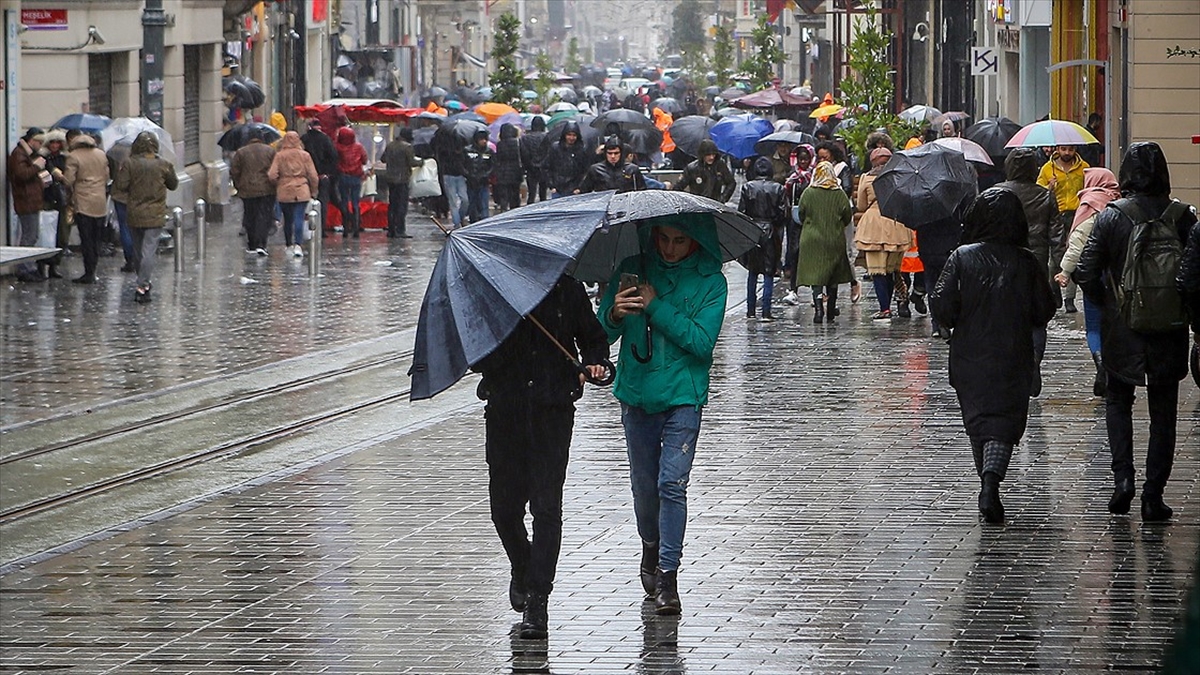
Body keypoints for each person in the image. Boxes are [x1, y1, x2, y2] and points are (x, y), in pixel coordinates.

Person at [596, 215, 728, 616]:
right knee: (644, 485)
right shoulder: (633, 269)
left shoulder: (711, 282)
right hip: (636, 392)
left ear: (695, 241)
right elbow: (601, 332)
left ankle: (668, 575)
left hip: (683, 394)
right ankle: (650, 545)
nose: (670, 248)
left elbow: (701, 342)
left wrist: (655, 306)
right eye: (664, 239)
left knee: (672, 484)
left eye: (680, 241)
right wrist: (615, 314)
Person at [472, 275, 610, 640]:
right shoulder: (496, 291)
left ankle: (538, 600)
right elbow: (476, 355)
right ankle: (523, 564)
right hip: (506, 411)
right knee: (504, 508)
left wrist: (593, 364)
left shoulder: (568, 289)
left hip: (552, 410)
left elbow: (593, 339)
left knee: (546, 508)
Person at [1073, 142, 1196, 521]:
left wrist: (1109, 303)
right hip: (1168, 327)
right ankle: (1153, 495)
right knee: (1164, 412)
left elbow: (1084, 270)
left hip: (1121, 326)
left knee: (1117, 401)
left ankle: (1122, 480)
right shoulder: (1183, 217)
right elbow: (1193, 276)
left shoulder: (1112, 217)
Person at [930, 187, 1057, 523]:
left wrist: (958, 316)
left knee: (978, 421)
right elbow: (1044, 309)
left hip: (970, 355)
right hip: (1013, 353)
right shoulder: (1026, 261)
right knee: (1003, 424)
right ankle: (991, 482)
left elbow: (942, 305)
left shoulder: (961, 256)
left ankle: (987, 483)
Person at [996, 147, 1062, 396]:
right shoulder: (1045, 196)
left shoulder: (997, 193)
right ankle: (1033, 359)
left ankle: (1012, 366)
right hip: (1036, 262)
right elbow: (1057, 237)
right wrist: (1058, 270)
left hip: (1003, 263)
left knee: (1006, 315)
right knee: (1036, 318)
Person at [1055, 168, 1120, 397]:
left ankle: (1100, 361)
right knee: (1113, 323)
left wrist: (1064, 271)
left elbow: (1077, 244)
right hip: (1116, 276)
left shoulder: (1089, 204)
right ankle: (1112, 366)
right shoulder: (1119, 204)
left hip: (1093, 274)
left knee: (1093, 326)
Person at [113, 131, 178, 304]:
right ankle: (143, 285)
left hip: (135, 211)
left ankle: (142, 281)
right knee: (149, 249)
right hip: (155, 213)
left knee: (137, 249)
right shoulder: (163, 164)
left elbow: (121, 185)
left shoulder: (129, 163)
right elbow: (173, 184)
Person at [854, 148, 913, 320]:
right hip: (895, 224)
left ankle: (885, 308)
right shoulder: (900, 177)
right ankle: (899, 300)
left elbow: (861, 205)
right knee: (891, 269)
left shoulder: (866, 178)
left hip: (873, 225)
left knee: (877, 270)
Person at [795, 161, 854, 323]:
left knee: (816, 276)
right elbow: (847, 216)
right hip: (834, 239)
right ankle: (830, 310)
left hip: (811, 240)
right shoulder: (839, 194)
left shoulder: (808, 193)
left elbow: (801, 214)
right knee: (833, 275)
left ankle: (818, 309)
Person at [1037, 144, 1089, 313]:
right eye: (1064, 149)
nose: (1067, 153)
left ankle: (1070, 298)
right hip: (1055, 216)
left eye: (1071, 149)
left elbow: (1089, 189)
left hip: (1077, 214)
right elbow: (1038, 192)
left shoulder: (1084, 168)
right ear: (1057, 149)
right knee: (1055, 259)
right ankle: (1055, 293)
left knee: (1074, 255)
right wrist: (1049, 187)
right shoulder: (1047, 169)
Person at [738, 156, 789, 320]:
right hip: (770, 231)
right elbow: (783, 213)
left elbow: (742, 211)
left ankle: (750, 310)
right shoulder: (778, 188)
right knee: (769, 271)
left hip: (753, 230)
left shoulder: (748, 187)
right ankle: (766, 310)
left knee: (752, 271)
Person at [62, 131, 110, 283]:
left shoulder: (73, 156)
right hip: (100, 201)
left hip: (83, 201)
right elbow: (107, 176)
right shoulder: (101, 154)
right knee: (96, 238)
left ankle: (88, 271)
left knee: (86, 237)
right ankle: (93, 268)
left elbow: (68, 180)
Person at [8, 128, 50, 282]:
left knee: (31, 236)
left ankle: (28, 267)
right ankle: (24, 268)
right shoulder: (19, 154)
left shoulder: (24, 154)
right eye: (39, 142)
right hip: (26, 200)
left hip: (30, 199)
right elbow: (21, 175)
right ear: (32, 140)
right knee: (29, 236)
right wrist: (37, 166)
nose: (40, 145)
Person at [268, 131, 319, 257]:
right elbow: (313, 176)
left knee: (288, 218)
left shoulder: (279, 156)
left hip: (284, 190)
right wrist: (313, 190)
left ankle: (289, 244)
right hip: (301, 189)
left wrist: (278, 183)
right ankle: (298, 245)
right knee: (299, 217)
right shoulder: (305, 155)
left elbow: (271, 174)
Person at [230, 128, 277, 254]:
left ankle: (252, 244)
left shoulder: (241, 152)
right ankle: (262, 243)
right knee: (264, 216)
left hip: (247, 190)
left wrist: (238, 185)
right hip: (267, 190)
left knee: (250, 216)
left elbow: (234, 171)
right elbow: (275, 170)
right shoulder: (270, 151)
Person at [381, 127, 423, 238]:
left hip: (390, 178)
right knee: (401, 206)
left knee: (392, 205)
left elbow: (383, 159)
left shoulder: (390, 145)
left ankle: (391, 229)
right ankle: (400, 230)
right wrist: (421, 162)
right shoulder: (407, 147)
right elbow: (412, 162)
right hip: (402, 179)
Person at [301, 120, 339, 238]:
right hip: (322, 176)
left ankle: (306, 229)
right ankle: (320, 230)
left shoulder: (303, 139)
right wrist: (327, 172)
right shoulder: (325, 139)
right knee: (322, 203)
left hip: (306, 177)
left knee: (305, 203)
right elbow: (334, 156)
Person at [675, 139, 735, 204]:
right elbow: (678, 187)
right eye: (708, 155)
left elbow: (731, 182)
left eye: (713, 154)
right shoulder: (692, 168)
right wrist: (688, 201)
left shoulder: (720, 165)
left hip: (716, 205)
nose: (711, 157)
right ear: (702, 155)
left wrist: (723, 198)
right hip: (698, 206)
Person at [542, 121, 589, 199]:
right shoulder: (555, 148)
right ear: (564, 135)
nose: (571, 138)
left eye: (574, 135)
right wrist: (551, 186)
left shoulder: (581, 150)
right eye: (569, 135)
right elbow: (546, 167)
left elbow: (585, 170)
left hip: (574, 190)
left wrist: (579, 187)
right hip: (558, 189)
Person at [334, 126, 367, 237]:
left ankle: (346, 228)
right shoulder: (358, 147)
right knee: (355, 202)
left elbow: (335, 161)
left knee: (344, 201)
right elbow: (364, 160)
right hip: (356, 177)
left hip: (343, 177)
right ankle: (356, 227)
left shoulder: (337, 147)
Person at [463, 128, 494, 223]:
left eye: (485, 139)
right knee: (472, 204)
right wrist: (469, 175)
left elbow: (493, 166)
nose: (484, 141)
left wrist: (486, 175)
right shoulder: (467, 150)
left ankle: (484, 223)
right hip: (471, 182)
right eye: (481, 139)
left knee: (484, 205)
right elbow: (463, 164)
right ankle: (473, 220)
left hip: (483, 182)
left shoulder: (489, 151)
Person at [493, 123, 523, 212]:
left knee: (504, 195)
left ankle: (504, 210)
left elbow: (498, 159)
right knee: (515, 194)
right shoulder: (517, 142)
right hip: (515, 172)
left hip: (502, 173)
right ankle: (515, 211)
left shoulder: (499, 144)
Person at [520, 116, 550, 204]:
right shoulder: (546, 136)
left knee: (532, 192)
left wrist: (528, 165)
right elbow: (548, 152)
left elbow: (524, 154)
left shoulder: (525, 138)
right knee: (543, 192)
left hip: (530, 168)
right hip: (543, 168)